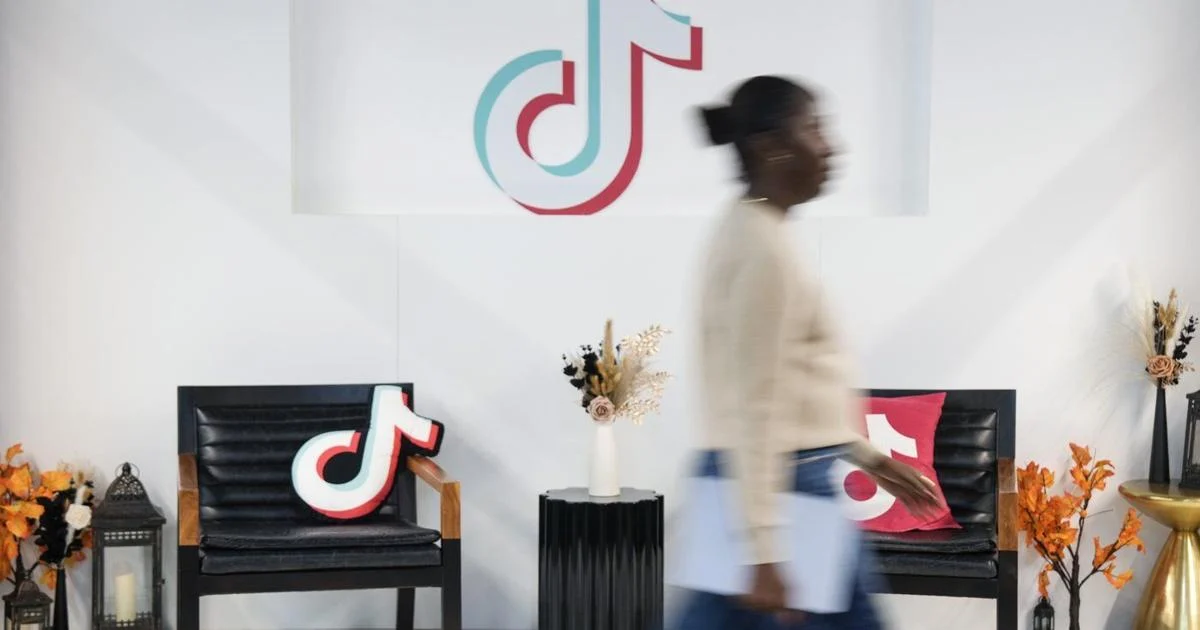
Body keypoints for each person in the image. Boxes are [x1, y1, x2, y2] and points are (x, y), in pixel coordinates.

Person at [673, 76, 942, 629]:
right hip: (777, 487)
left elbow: (788, 391)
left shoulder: (753, 227)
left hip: (762, 481)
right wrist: (762, 550)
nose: (831, 147)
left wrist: (870, 459)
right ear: (772, 147)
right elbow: (756, 404)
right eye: (815, 129)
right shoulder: (763, 248)